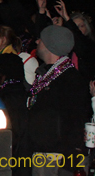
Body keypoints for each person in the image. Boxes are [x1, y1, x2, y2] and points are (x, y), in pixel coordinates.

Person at [18, 25, 89, 176]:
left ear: (51, 45)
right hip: (42, 153)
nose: (37, 42)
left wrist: (69, 162)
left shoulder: (70, 80)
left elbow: (75, 121)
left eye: (41, 40)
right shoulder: (46, 75)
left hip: (56, 158)